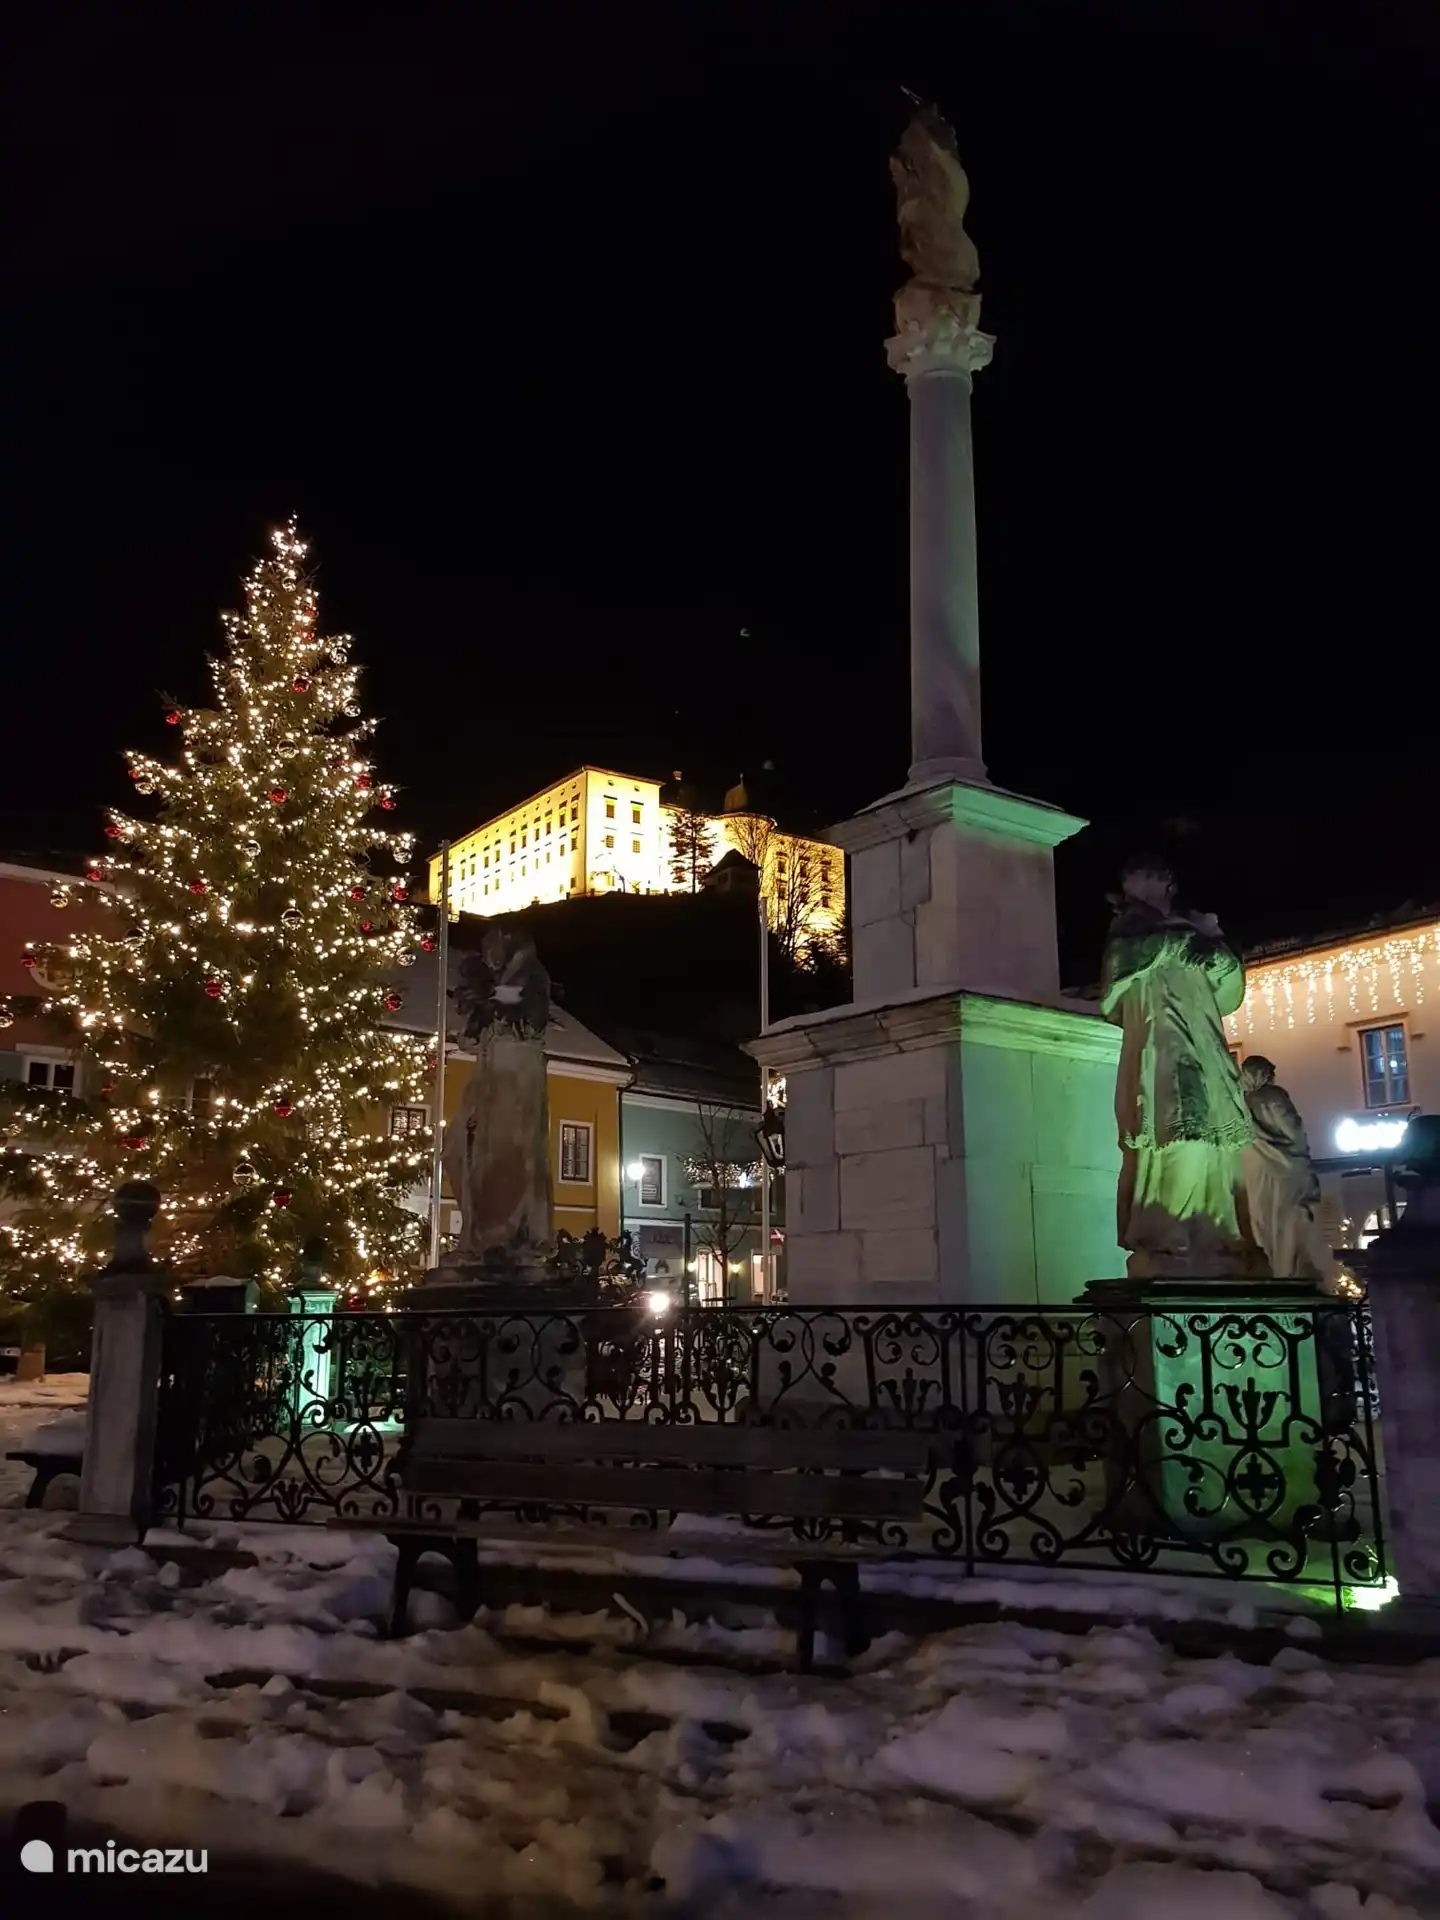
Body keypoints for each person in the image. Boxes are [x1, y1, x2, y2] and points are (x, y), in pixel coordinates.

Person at [1101, 856, 1258, 1277]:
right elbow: (1116, 971)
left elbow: (1231, 982)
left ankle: (1218, 1231)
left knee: (1214, 1138)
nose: (1140, 889)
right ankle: (1168, 1232)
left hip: (1203, 1039)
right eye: (1135, 882)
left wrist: (1214, 955)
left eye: (1149, 879)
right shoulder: (1131, 928)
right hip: (1162, 1043)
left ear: (1166, 884)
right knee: (1176, 1129)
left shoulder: (1197, 925)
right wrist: (1176, 944)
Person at [1238, 1056, 1339, 1287]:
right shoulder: (1274, 1097)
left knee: (1264, 1226)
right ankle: (1294, 1278)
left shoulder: (1240, 1107)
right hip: (1288, 1173)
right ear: (1263, 1074)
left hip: (1256, 1173)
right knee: (1293, 1226)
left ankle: (1275, 1275)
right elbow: (1294, 1131)